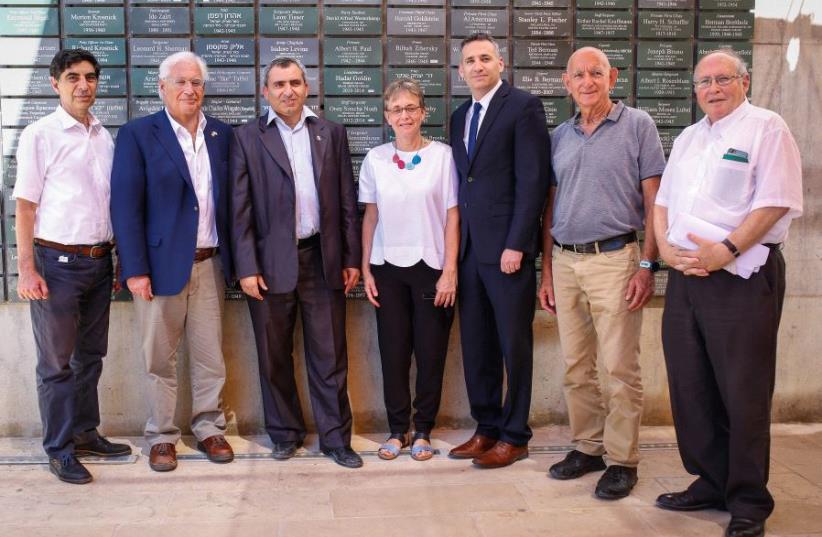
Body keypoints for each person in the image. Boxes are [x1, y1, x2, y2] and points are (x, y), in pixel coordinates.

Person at [653, 50, 802, 537]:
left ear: (745, 81)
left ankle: (748, 500)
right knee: (691, 384)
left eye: (723, 79)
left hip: (740, 276)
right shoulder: (691, 138)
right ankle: (712, 481)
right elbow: (663, 201)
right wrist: (666, 255)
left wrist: (729, 248)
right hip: (686, 277)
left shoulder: (767, 127)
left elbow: (776, 199)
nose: (713, 89)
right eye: (704, 82)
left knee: (743, 391)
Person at [538, 47, 666, 499]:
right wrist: (548, 272)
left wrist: (648, 264)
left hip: (616, 259)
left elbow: (655, 202)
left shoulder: (638, 125)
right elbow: (549, 207)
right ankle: (588, 447)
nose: (588, 81)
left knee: (618, 367)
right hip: (566, 260)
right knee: (576, 365)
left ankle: (622, 460)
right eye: (579, 74)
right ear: (566, 82)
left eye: (596, 73)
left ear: (612, 77)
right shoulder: (560, 136)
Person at [230, 57, 363, 469]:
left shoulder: (330, 133)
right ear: (265, 92)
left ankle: (336, 439)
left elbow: (345, 200)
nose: (287, 90)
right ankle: (284, 434)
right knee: (273, 356)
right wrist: (246, 266)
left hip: (323, 261)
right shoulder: (247, 137)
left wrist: (350, 257)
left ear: (307, 88)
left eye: (294, 83)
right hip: (269, 266)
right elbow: (240, 208)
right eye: (278, 84)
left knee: (330, 356)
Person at [111, 51, 235, 472]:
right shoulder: (138, 135)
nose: (189, 89)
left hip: (210, 264)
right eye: (180, 82)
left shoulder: (221, 134)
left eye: (197, 82)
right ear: (161, 87)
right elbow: (125, 208)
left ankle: (209, 427)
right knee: (159, 358)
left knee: (209, 356)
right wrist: (135, 269)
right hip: (159, 267)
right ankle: (162, 436)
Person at [13, 49, 131, 484]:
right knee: (57, 364)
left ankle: (84, 432)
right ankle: (59, 449)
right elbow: (25, 207)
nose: (84, 85)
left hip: (98, 262)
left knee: (91, 357)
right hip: (56, 263)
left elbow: (107, 204)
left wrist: (117, 256)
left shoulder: (103, 135)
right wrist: (27, 268)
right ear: (54, 83)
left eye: (90, 77)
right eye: (72, 77)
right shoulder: (40, 134)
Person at [447, 33, 551, 468]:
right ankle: (486, 427)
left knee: (513, 344)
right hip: (470, 250)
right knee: (477, 345)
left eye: (485, 58)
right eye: (470, 60)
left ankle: (515, 434)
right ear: (460, 70)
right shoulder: (458, 116)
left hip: (507, 252)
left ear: (501, 63)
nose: (477, 66)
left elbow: (533, 182)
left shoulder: (523, 107)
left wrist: (517, 244)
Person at [359, 78, 459, 462]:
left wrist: (450, 270)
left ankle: (424, 430)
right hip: (387, 269)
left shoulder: (444, 157)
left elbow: (453, 217)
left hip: (432, 268)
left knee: (431, 353)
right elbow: (370, 216)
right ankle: (397, 429)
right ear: (387, 116)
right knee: (393, 352)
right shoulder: (376, 159)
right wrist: (366, 269)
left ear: (423, 113)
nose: (404, 115)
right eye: (396, 109)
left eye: (410, 108)